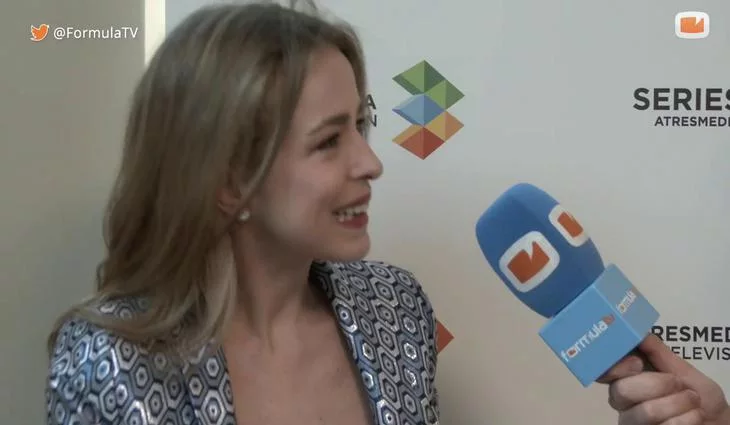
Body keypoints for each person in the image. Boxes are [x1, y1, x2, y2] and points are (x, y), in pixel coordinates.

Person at [43, 2, 729, 425]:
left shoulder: (393, 307)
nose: (371, 163)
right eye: (328, 141)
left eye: (362, 126)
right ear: (227, 181)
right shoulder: (111, 360)